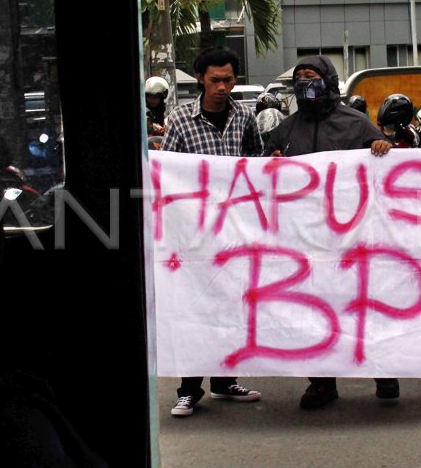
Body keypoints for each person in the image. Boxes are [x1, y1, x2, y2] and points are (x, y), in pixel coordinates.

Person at [264, 54, 397, 410]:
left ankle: (383, 372)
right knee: (316, 310)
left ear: (329, 81)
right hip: (306, 239)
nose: (305, 84)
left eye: (312, 77)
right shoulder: (286, 130)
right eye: (300, 78)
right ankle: (322, 381)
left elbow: (388, 170)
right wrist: (272, 160)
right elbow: (265, 172)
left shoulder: (356, 124)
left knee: (364, 305)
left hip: (354, 236)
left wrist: (382, 148)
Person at [161, 46, 264, 416]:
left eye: (229, 79)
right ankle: (189, 389)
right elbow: (166, 171)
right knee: (193, 307)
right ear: (202, 79)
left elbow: (256, 163)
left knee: (229, 307)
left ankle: (225, 381)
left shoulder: (245, 118)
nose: (222, 87)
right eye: (215, 80)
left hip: (234, 232)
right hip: (193, 233)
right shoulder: (179, 120)